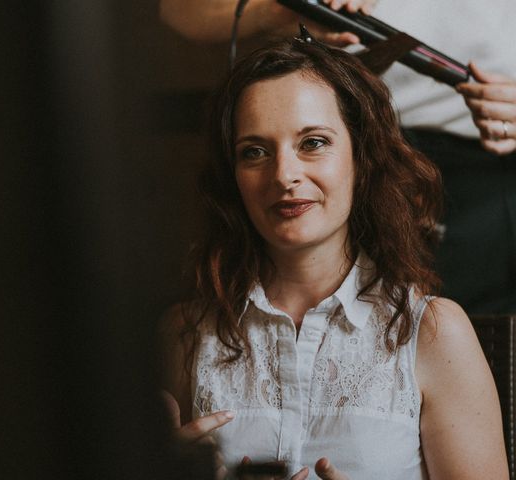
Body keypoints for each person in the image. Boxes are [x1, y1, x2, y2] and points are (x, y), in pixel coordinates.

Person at [160, 38, 508, 479]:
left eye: (313, 142)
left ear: (360, 159)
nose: (284, 174)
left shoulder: (436, 332)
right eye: (255, 151)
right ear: (233, 177)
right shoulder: (184, 334)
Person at [158, 0, 516, 314]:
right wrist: (277, 10)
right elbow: (182, 9)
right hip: (346, 148)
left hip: (488, 163)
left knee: (463, 333)